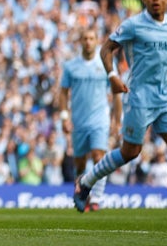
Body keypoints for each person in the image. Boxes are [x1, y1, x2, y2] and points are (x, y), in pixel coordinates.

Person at [74, 0, 167, 219]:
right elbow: (106, 49)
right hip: (139, 95)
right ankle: (87, 180)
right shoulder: (133, 25)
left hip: (165, 95)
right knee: (130, 151)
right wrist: (113, 76)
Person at [59, 28, 122, 211]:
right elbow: (63, 93)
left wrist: (116, 120)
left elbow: (116, 93)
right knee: (79, 162)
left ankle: (96, 199)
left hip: (99, 120)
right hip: (78, 121)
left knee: (98, 157)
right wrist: (64, 116)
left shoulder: (106, 65)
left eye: (91, 38)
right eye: (85, 38)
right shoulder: (71, 66)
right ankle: (81, 193)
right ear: (80, 41)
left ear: (96, 41)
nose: (88, 41)